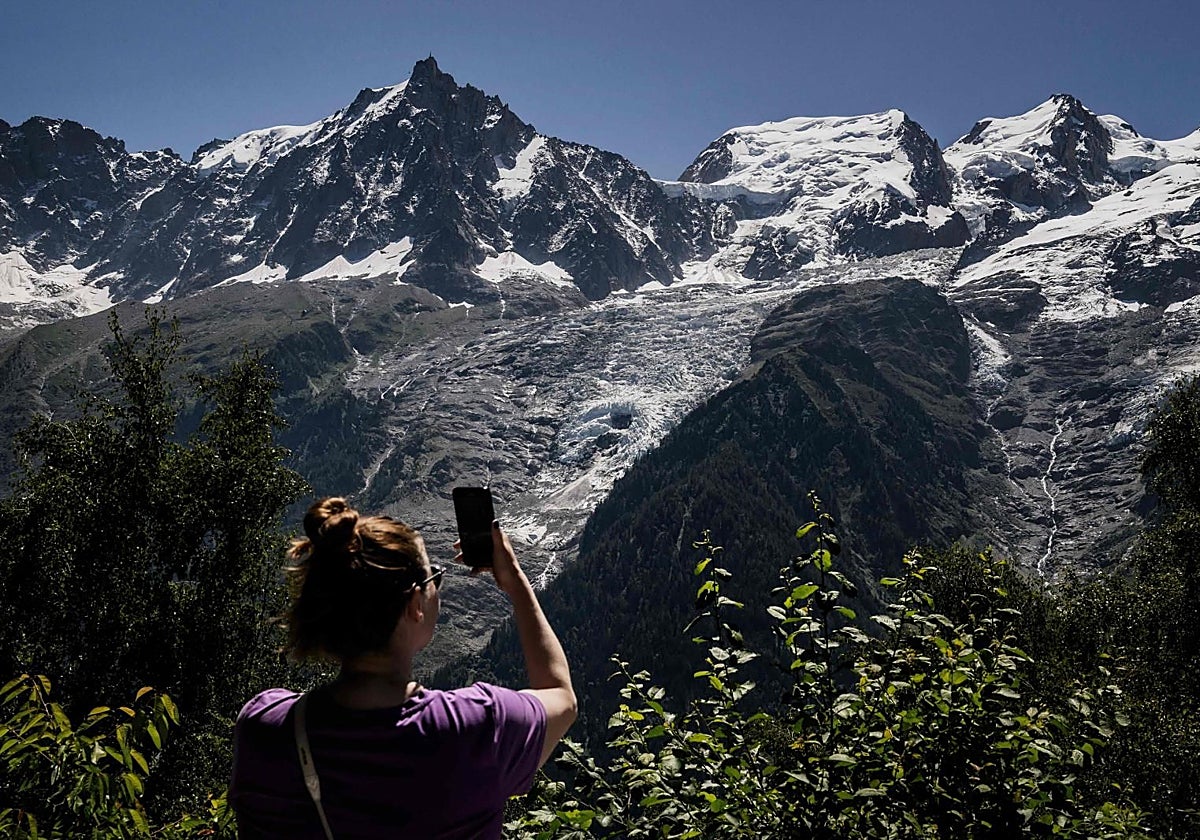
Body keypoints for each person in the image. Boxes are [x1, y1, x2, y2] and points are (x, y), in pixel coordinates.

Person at [229, 497, 577, 838]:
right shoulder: (477, 726)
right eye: (433, 579)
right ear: (415, 604)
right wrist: (516, 582)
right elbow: (560, 696)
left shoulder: (263, 728)